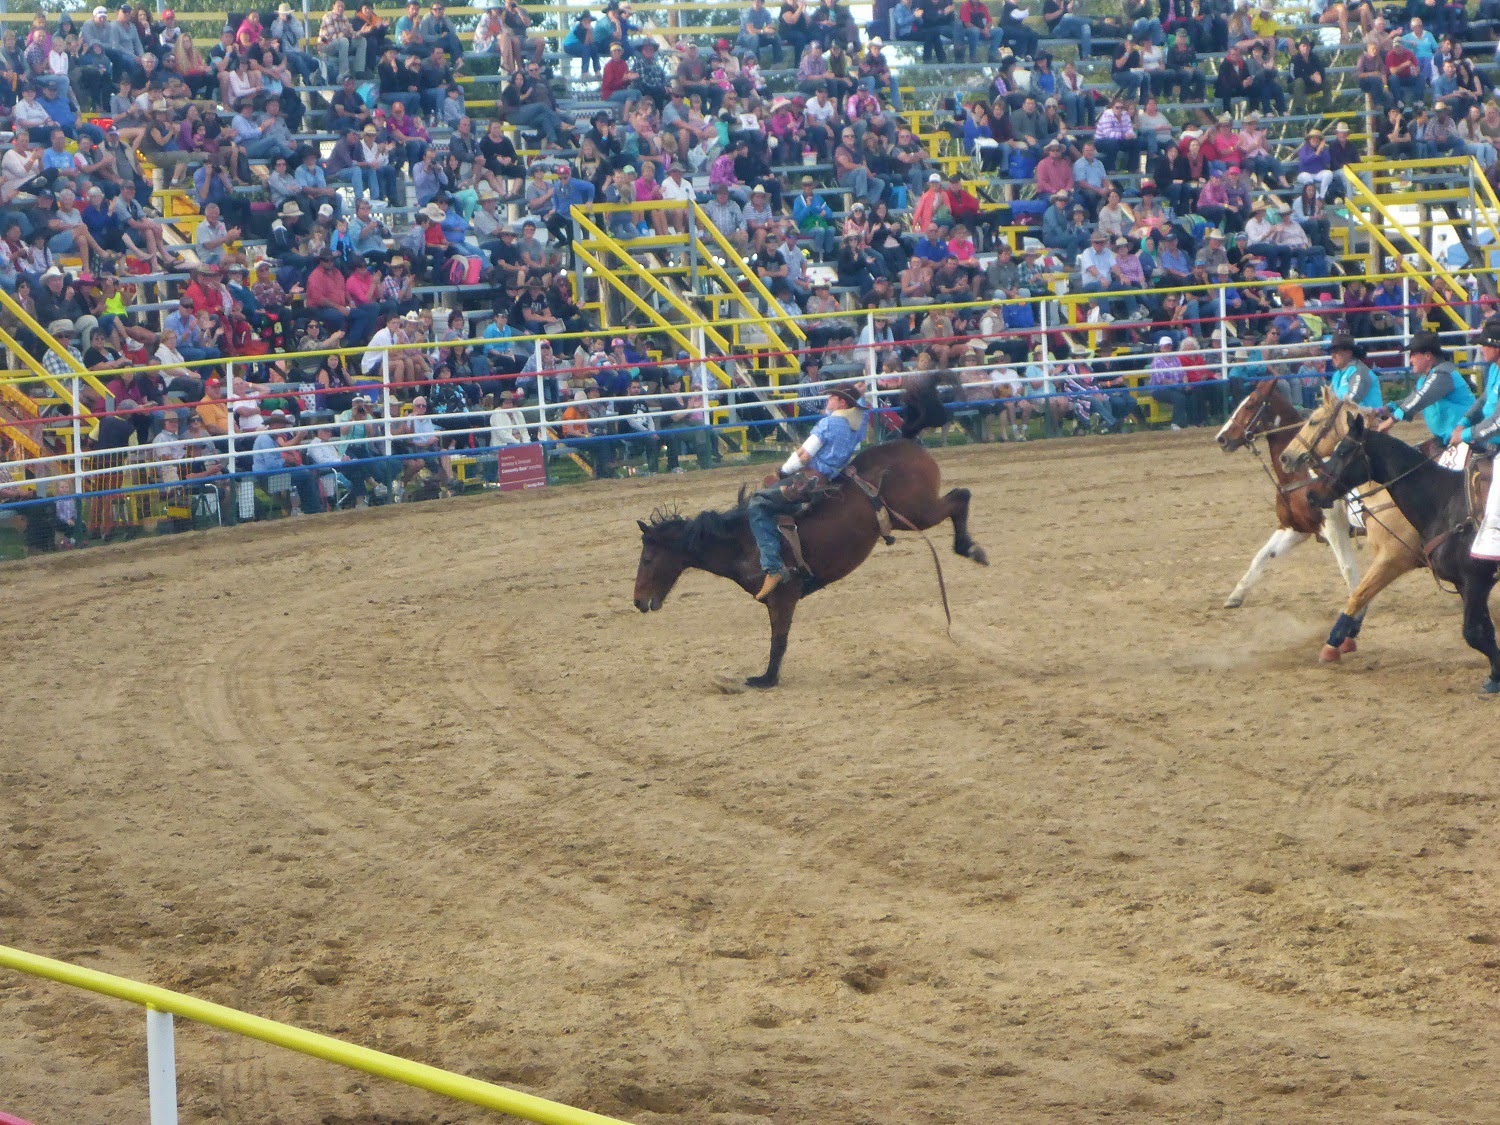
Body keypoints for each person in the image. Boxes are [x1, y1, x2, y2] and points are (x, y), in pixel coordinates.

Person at [746, 381, 867, 601]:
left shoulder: (828, 424)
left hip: (807, 482)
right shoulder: (855, 426)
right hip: (828, 481)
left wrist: (783, 472)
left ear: (841, 402)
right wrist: (859, 395)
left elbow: (804, 455)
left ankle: (773, 568)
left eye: (832, 397)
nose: (828, 400)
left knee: (757, 504)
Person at [1376, 331, 1473, 454]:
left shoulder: (1443, 374)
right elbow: (1413, 398)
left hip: (1465, 440)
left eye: (1413, 355)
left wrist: (1391, 421)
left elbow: (1420, 398)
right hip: (1447, 439)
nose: (1410, 360)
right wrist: (1388, 408)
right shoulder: (1427, 378)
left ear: (1428, 355)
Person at [1328, 332, 1381, 408]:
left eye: (1336, 352)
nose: (1332, 356)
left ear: (1348, 353)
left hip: (1367, 418)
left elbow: (1352, 401)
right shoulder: (1337, 375)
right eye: (1331, 352)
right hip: (1345, 418)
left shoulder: (1359, 371)